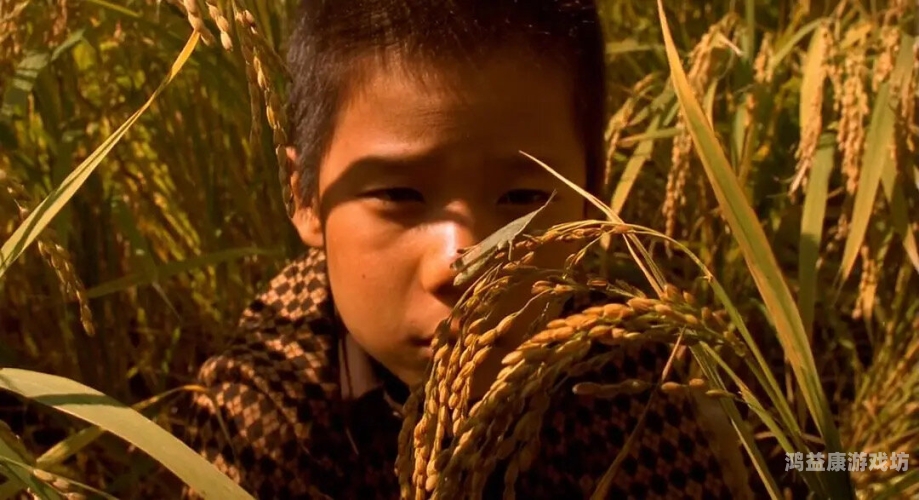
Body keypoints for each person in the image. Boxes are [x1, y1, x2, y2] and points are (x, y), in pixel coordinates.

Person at [179, 0, 755, 498]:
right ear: (306, 197)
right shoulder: (261, 417)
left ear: (590, 199)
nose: (463, 265)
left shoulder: (638, 381)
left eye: (522, 198)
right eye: (400, 194)